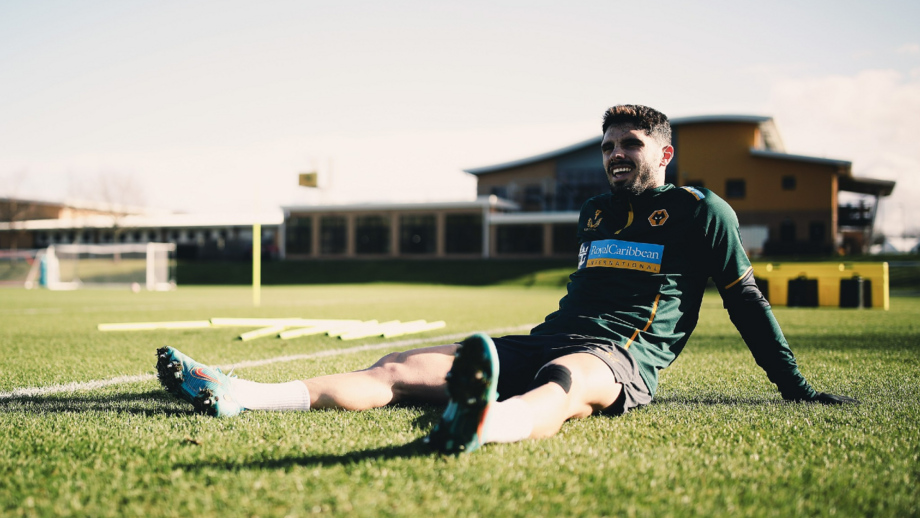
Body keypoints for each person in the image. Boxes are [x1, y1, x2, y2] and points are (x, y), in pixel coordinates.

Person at [156, 104, 858, 454]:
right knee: (399, 366)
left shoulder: (701, 211)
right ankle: (241, 394)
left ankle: (480, 425)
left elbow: (747, 303)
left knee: (566, 385)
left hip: (620, 355)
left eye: (630, 145)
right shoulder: (593, 211)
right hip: (548, 334)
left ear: (665, 153)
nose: (616, 155)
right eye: (608, 146)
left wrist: (795, 387)